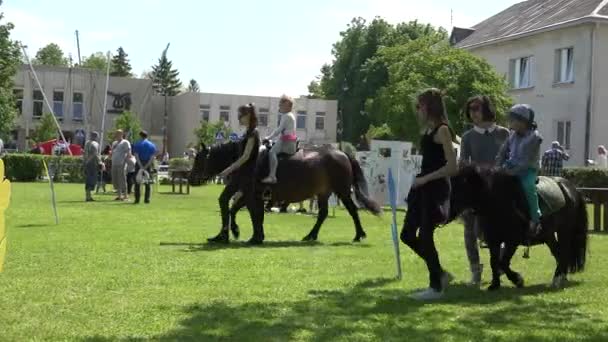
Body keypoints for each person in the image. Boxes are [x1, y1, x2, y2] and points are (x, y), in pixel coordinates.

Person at [400, 88, 458, 300]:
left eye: (420, 105)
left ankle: (436, 287)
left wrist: (425, 179)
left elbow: (452, 167)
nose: (418, 110)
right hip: (421, 188)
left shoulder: (443, 130)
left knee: (425, 236)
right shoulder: (427, 130)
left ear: (429, 106)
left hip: (434, 188)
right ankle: (440, 273)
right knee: (407, 235)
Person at [459, 95, 510, 286]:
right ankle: (475, 270)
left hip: (499, 189)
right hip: (476, 191)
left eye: (477, 108)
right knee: (471, 231)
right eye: (470, 109)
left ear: (486, 109)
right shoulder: (467, 137)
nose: (473, 112)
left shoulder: (504, 133)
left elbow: (509, 159)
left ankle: (501, 264)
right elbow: (464, 162)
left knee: (503, 229)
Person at [209, 103, 260, 243]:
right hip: (240, 174)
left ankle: (258, 235)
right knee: (223, 199)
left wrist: (227, 170)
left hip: (247, 175)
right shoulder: (246, 133)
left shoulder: (253, 133)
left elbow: (246, 156)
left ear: (248, 115)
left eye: (240, 115)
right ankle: (224, 233)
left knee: (250, 204)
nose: (239, 118)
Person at [497, 104, 543, 238]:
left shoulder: (535, 138)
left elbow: (526, 162)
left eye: (512, 120)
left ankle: (535, 219)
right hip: (510, 166)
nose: (509, 123)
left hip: (527, 170)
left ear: (523, 121)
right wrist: (497, 167)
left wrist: (511, 173)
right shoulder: (512, 135)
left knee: (528, 186)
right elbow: (502, 152)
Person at [261, 95, 297, 184]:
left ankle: (272, 176)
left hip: (286, 142)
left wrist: (268, 137)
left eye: (281, 105)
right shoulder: (291, 115)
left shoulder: (286, 116)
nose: (279, 107)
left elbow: (278, 130)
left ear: (287, 106)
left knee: (271, 152)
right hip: (291, 142)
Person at [132, 131, 157, 204]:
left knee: (137, 181)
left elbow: (136, 156)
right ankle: (147, 199)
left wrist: (140, 166)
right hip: (148, 163)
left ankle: (137, 199)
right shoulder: (152, 145)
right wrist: (146, 166)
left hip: (139, 163)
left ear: (140, 136)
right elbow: (152, 157)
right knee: (147, 182)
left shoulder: (137, 144)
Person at [83, 131, 104, 202]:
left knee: (88, 179)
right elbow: (94, 154)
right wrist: (100, 162)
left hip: (87, 163)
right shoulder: (95, 144)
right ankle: (88, 197)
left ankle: (88, 196)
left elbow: (85, 153)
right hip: (92, 164)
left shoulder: (87, 143)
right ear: (96, 137)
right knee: (91, 180)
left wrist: (85, 162)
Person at [111, 130, 131, 201]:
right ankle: (119, 196)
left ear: (122, 134)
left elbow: (128, 152)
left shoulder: (125, 142)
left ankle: (125, 195)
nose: (116, 135)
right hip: (114, 163)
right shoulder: (114, 143)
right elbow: (112, 152)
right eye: (116, 133)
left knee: (122, 179)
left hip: (121, 163)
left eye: (118, 134)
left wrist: (126, 161)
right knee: (116, 179)